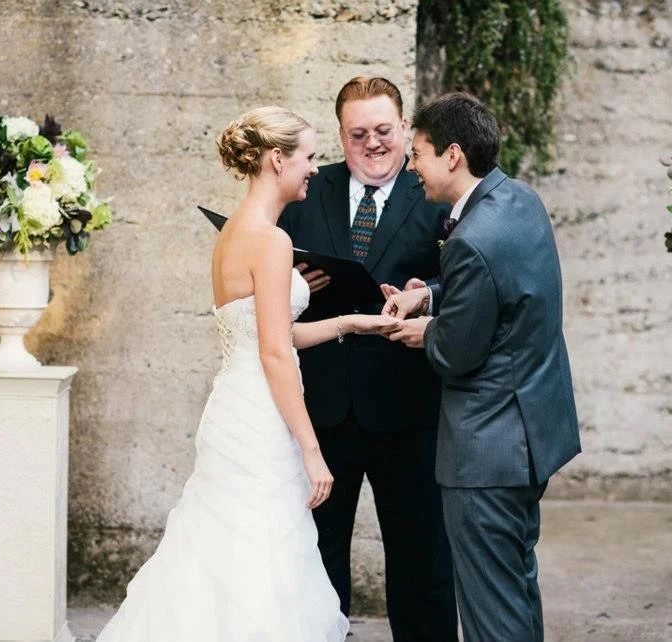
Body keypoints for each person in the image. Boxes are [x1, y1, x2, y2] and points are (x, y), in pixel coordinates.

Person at [97, 106, 397, 641]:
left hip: (234, 407)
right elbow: (276, 354)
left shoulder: (235, 232)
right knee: (261, 555)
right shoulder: (272, 240)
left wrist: (352, 321)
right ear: (278, 159)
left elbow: (272, 335)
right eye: (308, 157)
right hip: (261, 417)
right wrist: (311, 448)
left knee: (223, 549)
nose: (313, 168)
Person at [383, 92, 582, 642]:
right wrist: (431, 295)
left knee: (490, 611)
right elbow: (505, 288)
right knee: (514, 588)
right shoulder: (518, 200)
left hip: (487, 456)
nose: (410, 165)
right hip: (531, 436)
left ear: (451, 155)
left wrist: (425, 331)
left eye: (417, 152)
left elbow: (455, 353)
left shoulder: (469, 238)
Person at [278, 76, 458, 641]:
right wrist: (292, 282)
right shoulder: (309, 188)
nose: (373, 143)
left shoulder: (432, 191)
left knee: (421, 557)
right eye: (359, 134)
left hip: (410, 409)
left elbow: (467, 278)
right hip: (324, 409)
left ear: (405, 129)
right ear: (340, 135)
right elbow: (266, 276)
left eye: (384, 130)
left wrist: (424, 289)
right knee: (318, 555)